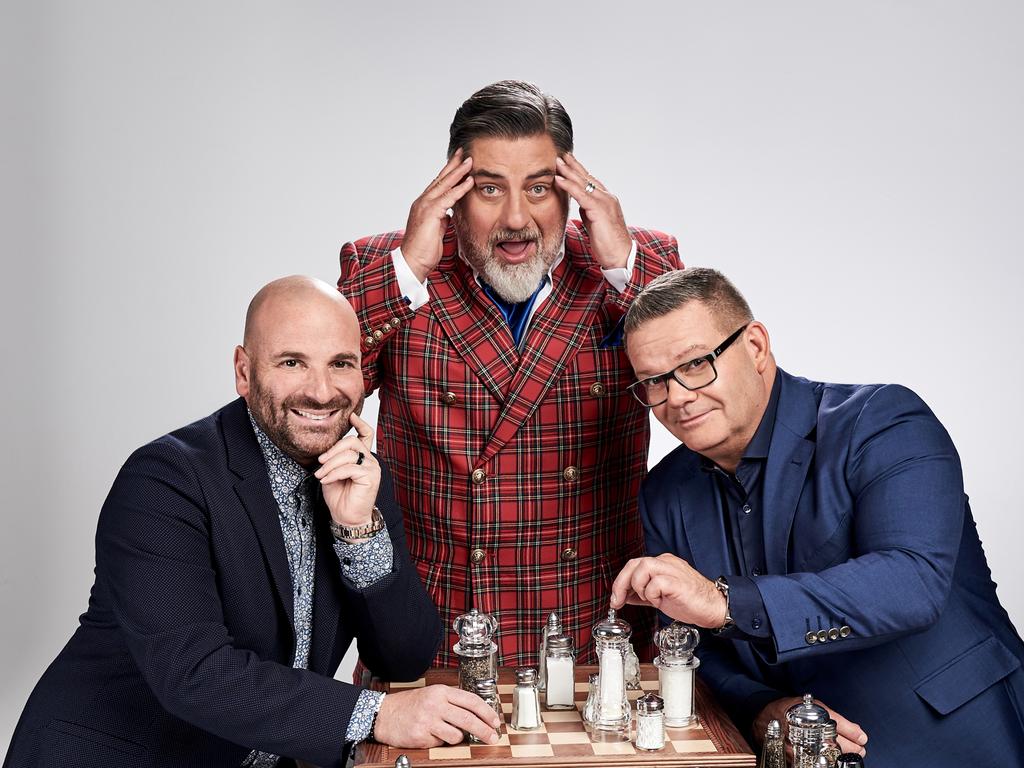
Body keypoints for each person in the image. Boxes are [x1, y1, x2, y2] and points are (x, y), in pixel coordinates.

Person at [4, 277, 501, 768]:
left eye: (341, 364)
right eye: (292, 362)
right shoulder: (164, 480)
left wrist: (358, 531)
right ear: (243, 372)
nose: (322, 391)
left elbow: (405, 658)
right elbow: (193, 672)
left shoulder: (358, 475)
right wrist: (376, 714)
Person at [610, 267, 1024, 765]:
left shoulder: (882, 420)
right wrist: (763, 708)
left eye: (696, 363)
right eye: (653, 381)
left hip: (951, 740)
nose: (676, 396)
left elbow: (912, 581)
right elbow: (698, 650)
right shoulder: (664, 491)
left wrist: (726, 602)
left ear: (757, 346)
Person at [338, 80, 682, 666]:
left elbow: (698, 386)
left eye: (540, 189)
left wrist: (624, 264)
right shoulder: (387, 267)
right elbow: (322, 401)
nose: (517, 218)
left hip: (596, 630)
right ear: (452, 192)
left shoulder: (629, 262)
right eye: (490, 189)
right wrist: (408, 271)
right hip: (435, 633)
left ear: (573, 192)